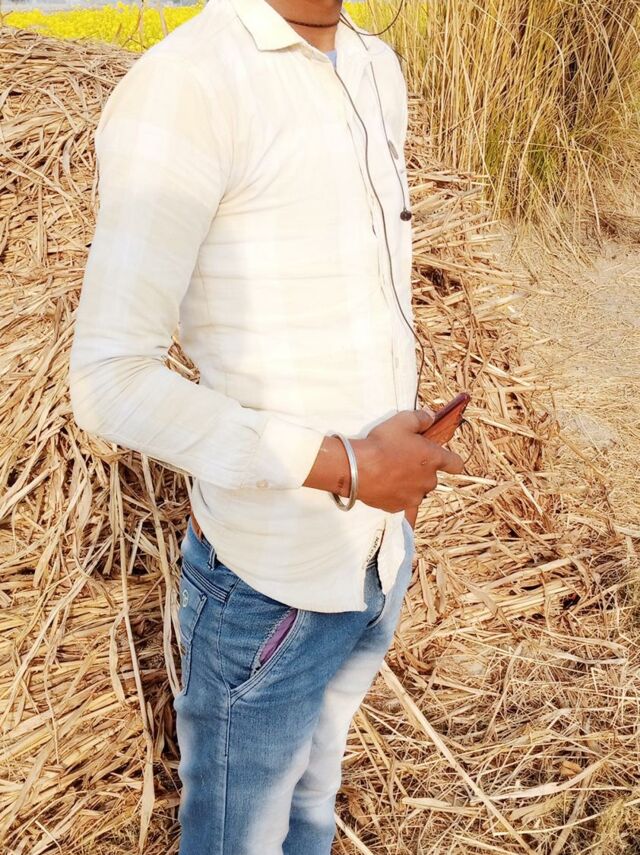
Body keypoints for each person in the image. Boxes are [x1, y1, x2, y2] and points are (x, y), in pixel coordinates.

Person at [68, 0, 464, 852]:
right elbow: (109, 379)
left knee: (313, 805)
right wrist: (350, 465)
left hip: (374, 559)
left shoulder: (374, 66)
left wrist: (389, 481)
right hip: (269, 587)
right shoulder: (188, 85)